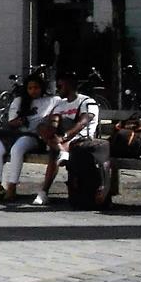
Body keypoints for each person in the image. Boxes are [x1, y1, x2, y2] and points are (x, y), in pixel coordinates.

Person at [0, 75, 57, 204]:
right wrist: (18, 122)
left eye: (36, 87)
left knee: (17, 149)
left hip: (34, 136)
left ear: (42, 88)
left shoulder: (51, 100)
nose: (33, 91)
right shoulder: (19, 101)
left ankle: (12, 186)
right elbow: (10, 122)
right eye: (30, 88)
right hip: (14, 134)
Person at [35, 73, 101, 207]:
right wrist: (51, 128)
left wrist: (64, 136)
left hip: (82, 140)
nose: (57, 89)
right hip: (60, 140)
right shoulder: (61, 104)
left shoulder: (87, 102)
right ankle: (61, 151)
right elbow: (54, 121)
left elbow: (81, 124)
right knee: (41, 127)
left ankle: (43, 192)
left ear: (69, 85)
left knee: (54, 152)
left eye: (60, 86)